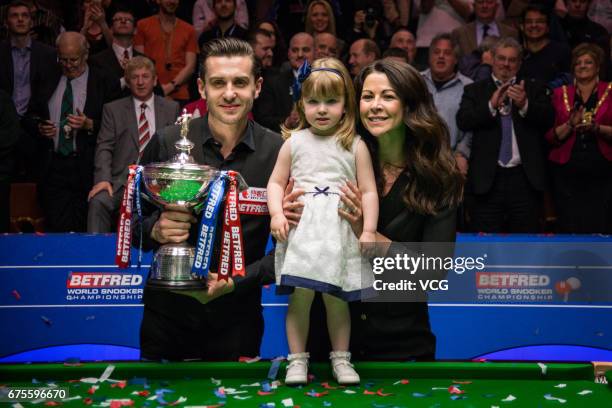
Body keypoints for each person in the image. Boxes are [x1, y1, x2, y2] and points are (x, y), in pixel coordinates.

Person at [136, 38, 284, 361]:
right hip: (167, 321)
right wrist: (155, 230)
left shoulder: (279, 153)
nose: (230, 93)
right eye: (219, 83)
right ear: (202, 88)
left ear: (257, 87)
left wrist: (236, 282)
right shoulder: (168, 143)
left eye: (240, 83)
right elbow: (130, 221)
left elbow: (293, 249)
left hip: (238, 323)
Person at [267, 58, 377, 385]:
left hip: (339, 235)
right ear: (301, 103)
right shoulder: (293, 142)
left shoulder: (355, 145)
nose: (322, 109)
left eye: (331, 101)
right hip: (302, 235)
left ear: (346, 106)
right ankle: (297, 360)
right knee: (299, 299)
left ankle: (341, 359)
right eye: (313, 101)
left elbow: (369, 191)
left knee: (337, 301)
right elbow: (275, 183)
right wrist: (276, 213)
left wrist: (368, 228)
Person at [344, 58, 463, 359]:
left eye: (388, 96)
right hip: (335, 340)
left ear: (409, 105)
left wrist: (370, 236)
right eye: (367, 97)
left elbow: (433, 272)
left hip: (402, 341)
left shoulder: (439, 178)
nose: (375, 106)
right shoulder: (340, 164)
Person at [457, 37, 554, 233]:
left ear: (519, 63)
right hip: (487, 180)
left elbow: (549, 119)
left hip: (525, 179)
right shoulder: (475, 90)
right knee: (485, 246)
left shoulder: (533, 88)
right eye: (501, 58)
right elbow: (463, 120)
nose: (506, 64)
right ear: (492, 59)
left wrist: (525, 105)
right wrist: (490, 106)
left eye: (512, 60)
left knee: (525, 242)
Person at [34, 31, 120, 232]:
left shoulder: (105, 80)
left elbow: (117, 127)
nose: (68, 65)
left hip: (88, 167)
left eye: (73, 59)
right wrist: (39, 126)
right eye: (62, 59)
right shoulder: (47, 76)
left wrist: (90, 125)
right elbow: (30, 115)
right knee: (56, 229)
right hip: (53, 167)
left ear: (86, 54)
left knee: (86, 228)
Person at [87, 56, 180, 233]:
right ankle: (96, 257)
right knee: (98, 201)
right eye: (135, 77)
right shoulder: (112, 110)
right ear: (128, 82)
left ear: (154, 80)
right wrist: (103, 180)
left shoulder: (171, 108)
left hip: (159, 185)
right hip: (122, 183)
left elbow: (176, 149)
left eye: (145, 76)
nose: (140, 82)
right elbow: (104, 147)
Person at [545, 43, 612, 233]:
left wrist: (597, 128)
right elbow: (549, 135)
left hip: (603, 169)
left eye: (588, 62)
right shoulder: (559, 94)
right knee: (569, 223)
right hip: (566, 170)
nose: (582, 66)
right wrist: (570, 125)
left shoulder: (610, 91)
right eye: (578, 63)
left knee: (601, 222)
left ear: (598, 67)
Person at [421, 33, 472, 176]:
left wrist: (462, 153)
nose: (441, 56)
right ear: (429, 56)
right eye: (436, 52)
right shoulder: (416, 81)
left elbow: (472, 128)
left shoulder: (468, 87)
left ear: (456, 59)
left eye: (447, 53)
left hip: (452, 162)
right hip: (417, 159)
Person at [134, 0, 198, 104]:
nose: (172, 1)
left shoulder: (189, 29)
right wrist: (158, 89)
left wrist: (170, 86)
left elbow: (190, 67)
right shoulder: (142, 25)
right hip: (150, 92)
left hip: (180, 95)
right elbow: (138, 61)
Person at [451, 0, 518, 58]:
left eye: (489, 2)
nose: (484, 6)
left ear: (497, 6)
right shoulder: (459, 33)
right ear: (474, 6)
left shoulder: (511, 33)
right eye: (480, 2)